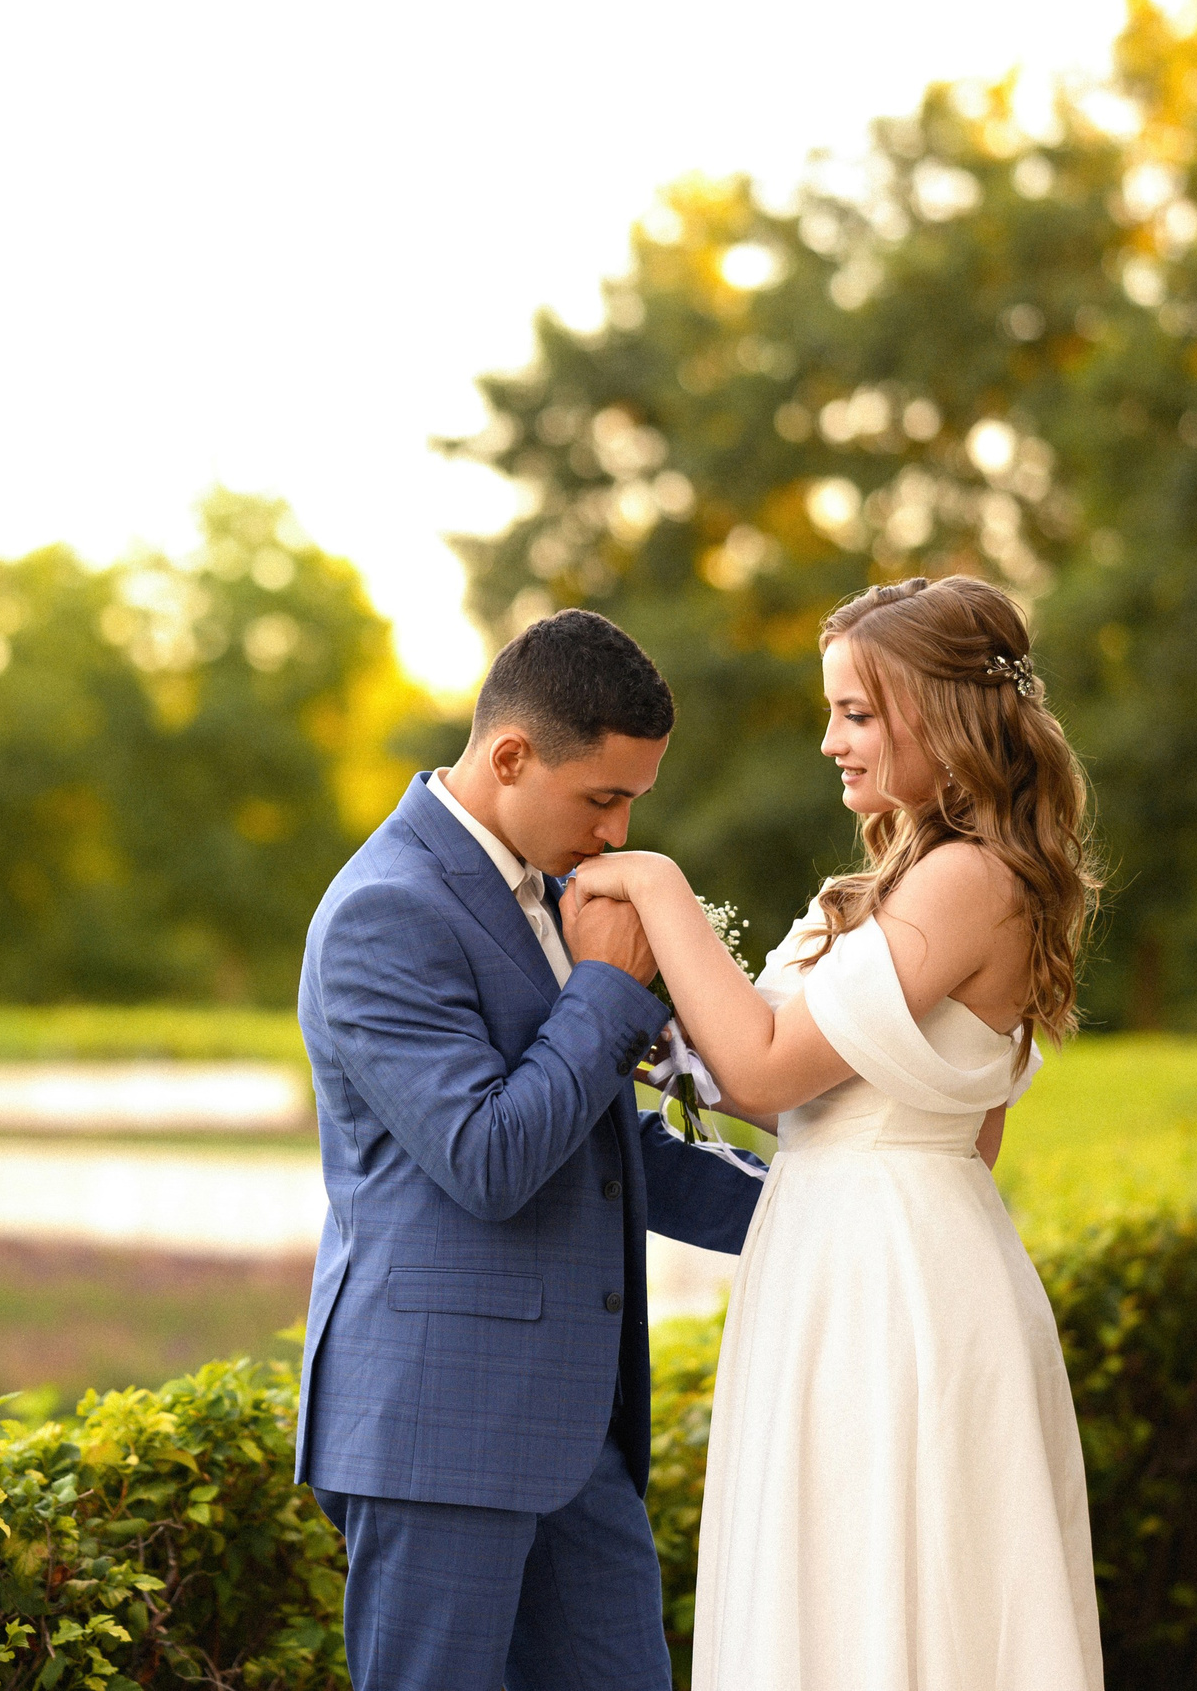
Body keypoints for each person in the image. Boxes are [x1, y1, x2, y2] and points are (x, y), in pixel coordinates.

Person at [570, 574, 1107, 1689]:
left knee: (892, 1580)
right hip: (837, 1249)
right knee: (830, 1580)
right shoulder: (898, 881)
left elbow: (766, 1060)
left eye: (857, 713)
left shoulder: (970, 879)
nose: (829, 742)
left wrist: (658, 888)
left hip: (892, 1275)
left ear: (944, 715)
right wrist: (648, 1031)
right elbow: (778, 1089)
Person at [295, 608, 767, 1691]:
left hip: (576, 1441)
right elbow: (492, 1157)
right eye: (601, 797)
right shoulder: (382, 912)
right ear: (510, 755)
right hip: (437, 1432)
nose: (617, 833)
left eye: (632, 801)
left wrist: (829, 1204)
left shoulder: (553, 893)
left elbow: (604, 1143)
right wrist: (606, 987)